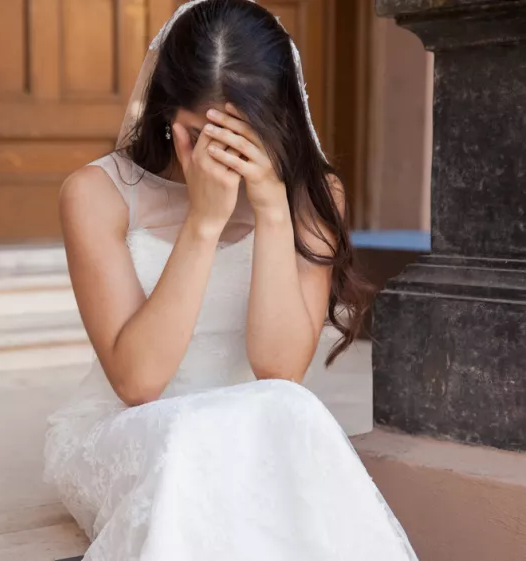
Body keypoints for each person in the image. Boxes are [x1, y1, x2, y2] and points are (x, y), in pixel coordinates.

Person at [43, 1, 419, 560]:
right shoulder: (98, 194)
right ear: (169, 118)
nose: (226, 156)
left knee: (290, 411)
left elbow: (280, 371)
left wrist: (271, 211)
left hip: (260, 426)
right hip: (139, 433)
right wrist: (204, 221)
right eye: (203, 133)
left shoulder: (314, 196)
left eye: (247, 136)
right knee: (201, 442)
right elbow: (138, 383)